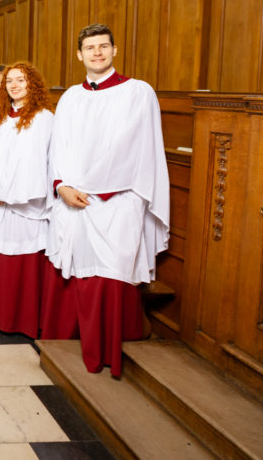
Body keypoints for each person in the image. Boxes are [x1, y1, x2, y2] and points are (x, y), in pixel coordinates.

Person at [42, 23, 169, 377]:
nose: (97, 52)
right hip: (75, 199)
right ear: (79, 54)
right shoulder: (70, 97)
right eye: (90, 47)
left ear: (114, 50)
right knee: (80, 273)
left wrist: (95, 185)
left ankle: (110, 354)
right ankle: (75, 344)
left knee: (112, 276)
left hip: (119, 200)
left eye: (103, 46)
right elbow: (59, 148)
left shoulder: (137, 93)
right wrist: (61, 185)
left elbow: (135, 149)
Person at [0, 63, 54, 339]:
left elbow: (33, 165)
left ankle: (19, 318)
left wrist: (6, 192)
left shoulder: (42, 118)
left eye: (21, 80)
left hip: (22, 205)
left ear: (33, 83)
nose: (14, 85)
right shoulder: (1, 116)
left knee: (20, 261)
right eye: (10, 81)